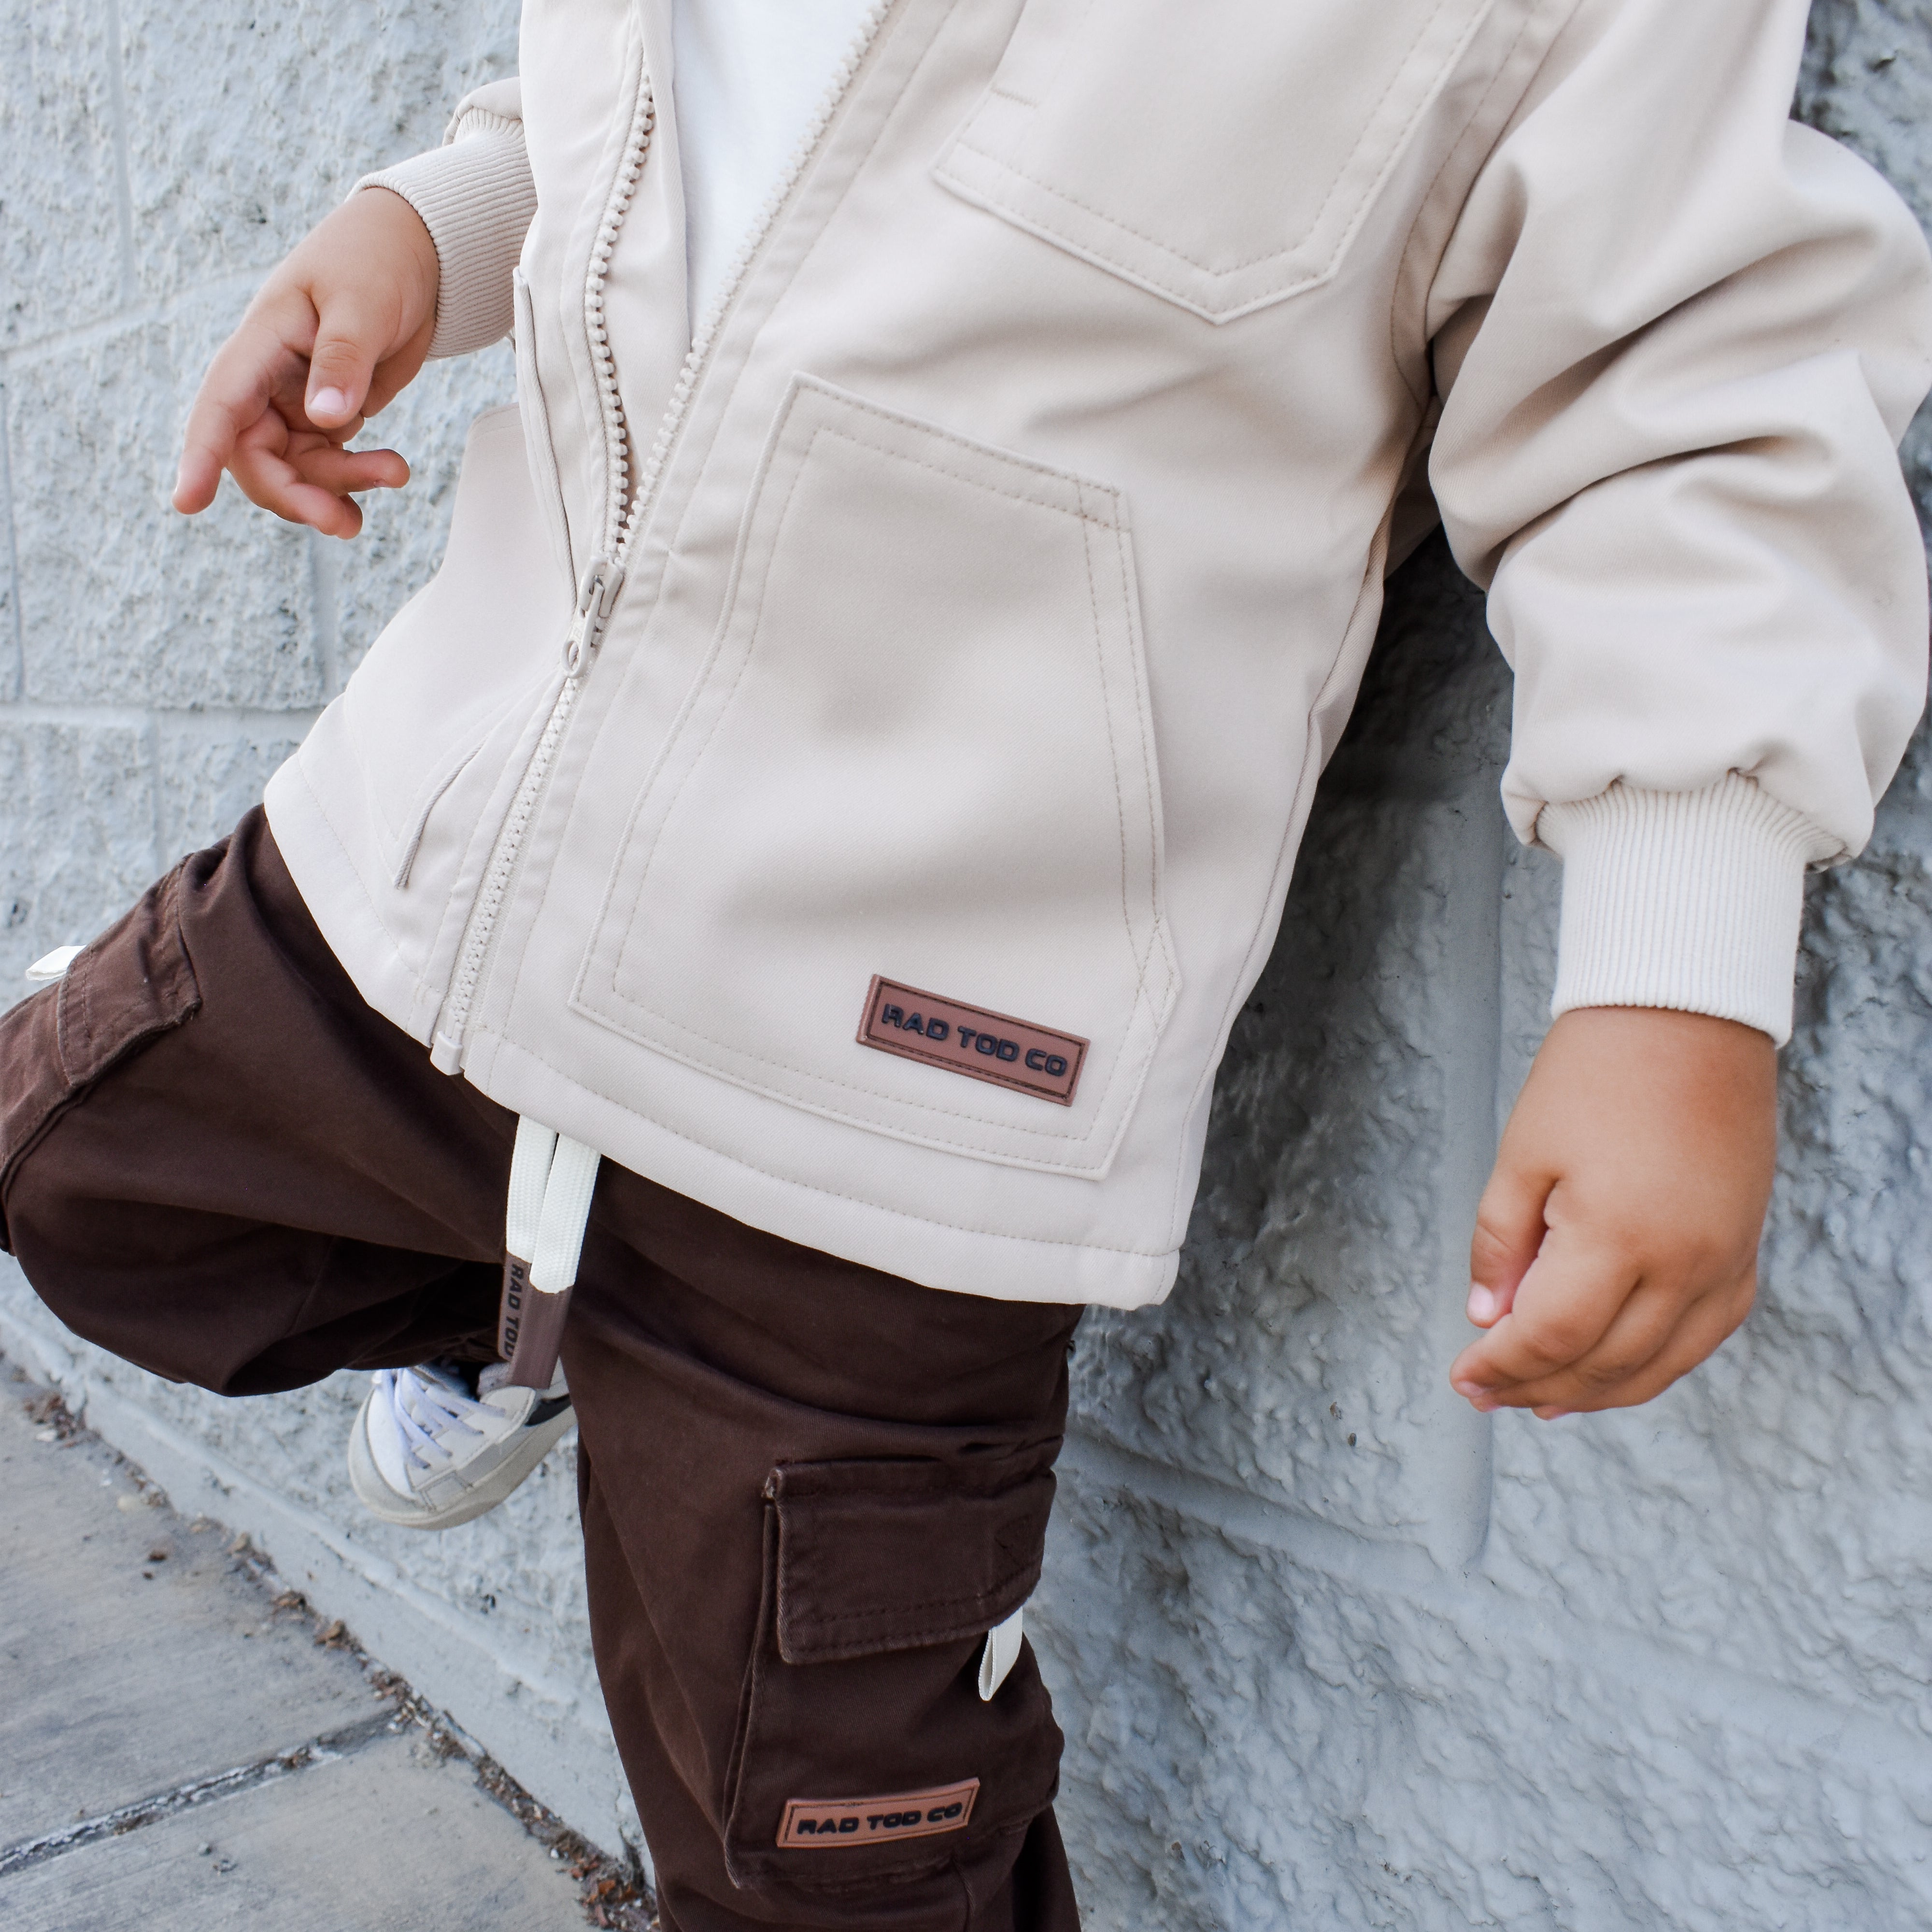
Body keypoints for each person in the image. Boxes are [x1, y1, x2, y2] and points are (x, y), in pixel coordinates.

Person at [5, 0, 1928, 1925]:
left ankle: (568, 1297)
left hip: (888, 1130)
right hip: (423, 888)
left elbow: (1685, 379)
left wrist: (1679, 962)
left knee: (837, 1873)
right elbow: (640, 115)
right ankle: (531, 1292)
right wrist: (424, 225)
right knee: (63, 1168)